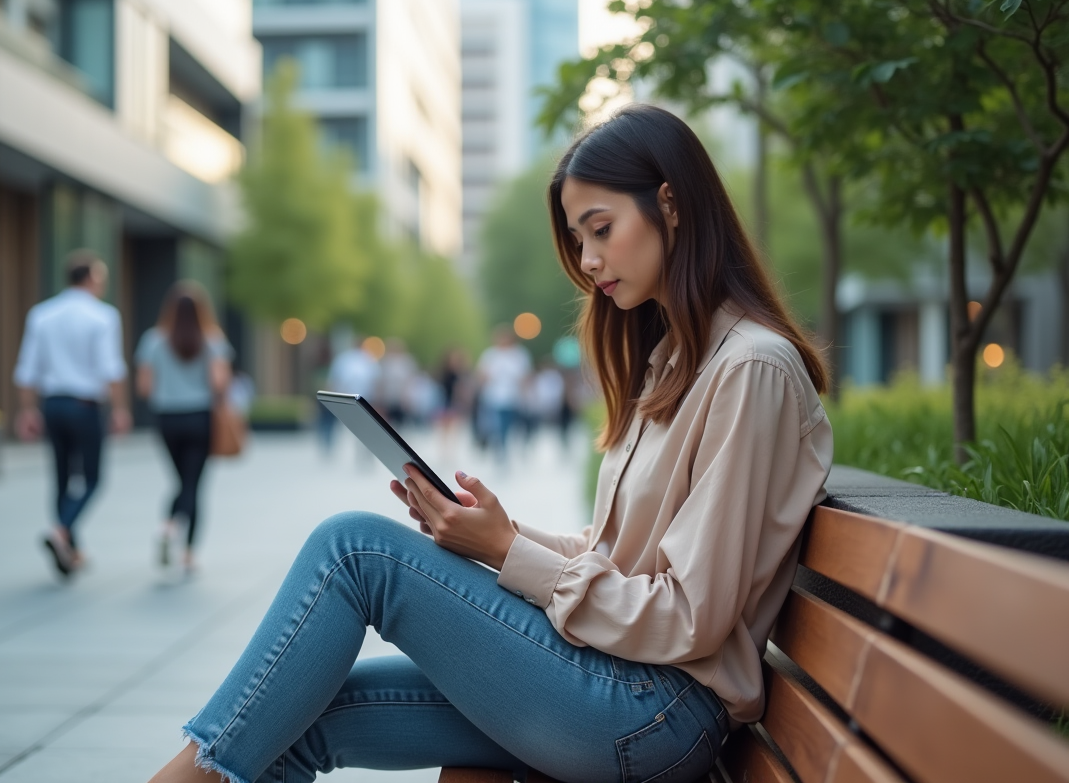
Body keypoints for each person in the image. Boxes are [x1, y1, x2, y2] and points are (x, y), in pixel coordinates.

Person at [147, 104, 833, 783]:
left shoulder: (750, 371)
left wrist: (507, 555)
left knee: (355, 550)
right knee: (300, 715)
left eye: (601, 229)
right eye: (578, 239)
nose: (589, 261)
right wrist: (498, 533)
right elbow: (616, 556)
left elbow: (692, 617)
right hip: (616, 684)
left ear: (671, 204)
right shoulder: (678, 362)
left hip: (653, 713)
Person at [13, 250, 131, 578]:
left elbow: (27, 369)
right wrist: (120, 409)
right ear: (92, 276)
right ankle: (62, 530)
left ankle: (70, 549)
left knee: (62, 478)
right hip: (84, 405)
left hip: (52, 404)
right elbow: (111, 368)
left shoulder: (42, 314)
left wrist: (26, 411)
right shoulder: (103, 316)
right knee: (93, 478)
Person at [136, 282, 233, 573]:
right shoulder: (213, 340)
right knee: (193, 483)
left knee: (181, 481)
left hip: (167, 419)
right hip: (200, 417)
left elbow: (144, 387)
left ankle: (168, 527)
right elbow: (220, 383)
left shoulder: (153, 341)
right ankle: (188, 551)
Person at [475, 326, 533, 462]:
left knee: (511, 427)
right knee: (497, 426)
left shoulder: (519, 355)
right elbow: (481, 375)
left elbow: (526, 377)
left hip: (512, 399)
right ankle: (500, 451)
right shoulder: (490, 355)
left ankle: (507, 448)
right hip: (494, 398)